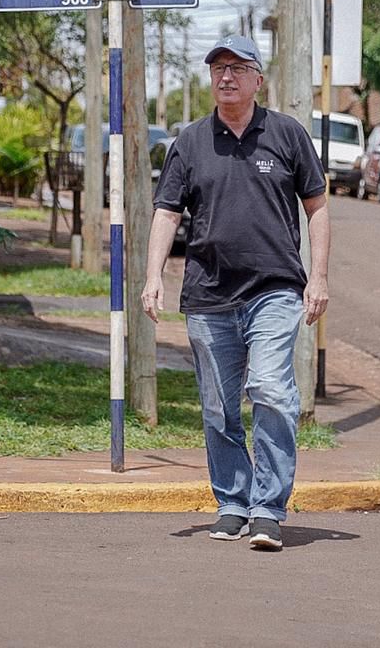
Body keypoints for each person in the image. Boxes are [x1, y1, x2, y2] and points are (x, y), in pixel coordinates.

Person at [142, 34, 330, 552]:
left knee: (270, 389)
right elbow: (167, 211)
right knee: (218, 407)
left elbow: (317, 207)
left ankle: (268, 510)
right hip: (209, 295)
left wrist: (319, 277)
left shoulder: (287, 135)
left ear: (257, 79)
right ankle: (232, 502)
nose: (226, 76)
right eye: (218, 67)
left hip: (275, 289)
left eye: (238, 67)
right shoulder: (191, 141)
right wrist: (153, 274)